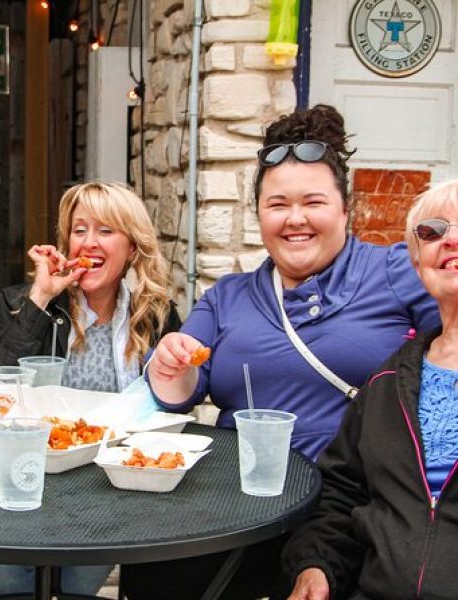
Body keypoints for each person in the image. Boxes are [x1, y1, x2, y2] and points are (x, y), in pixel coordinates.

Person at [120, 104, 442, 599]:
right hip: (241, 505)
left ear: (344, 208)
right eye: (277, 205)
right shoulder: (228, 296)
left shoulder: (396, 272)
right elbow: (176, 393)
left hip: (347, 512)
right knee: (155, 570)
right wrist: (170, 363)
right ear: (258, 215)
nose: (295, 220)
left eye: (313, 202)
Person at [0, 181, 182, 596]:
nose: (89, 241)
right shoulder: (23, 301)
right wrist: (40, 299)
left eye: (106, 230)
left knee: (76, 586)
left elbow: (172, 404)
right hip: (26, 477)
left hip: (108, 492)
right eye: (79, 229)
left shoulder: (155, 315)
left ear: (132, 247)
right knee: (1, 577)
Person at [283, 178, 458, 600]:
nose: (450, 240)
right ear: (418, 263)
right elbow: (343, 495)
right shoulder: (386, 384)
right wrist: (316, 568)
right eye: (433, 231)